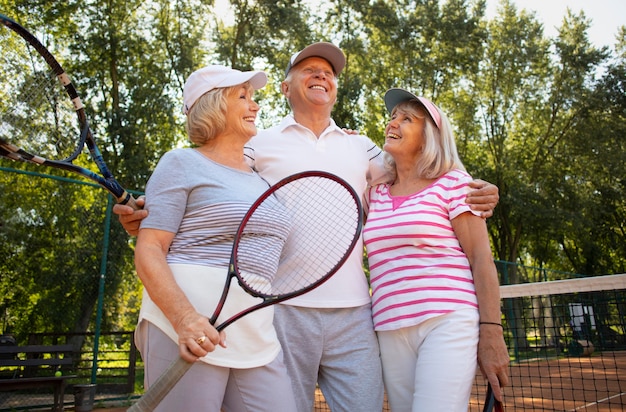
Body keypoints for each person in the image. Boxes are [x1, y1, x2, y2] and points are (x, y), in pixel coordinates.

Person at [116, 43, 500, 411]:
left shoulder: (363, 147)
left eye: (329, 72)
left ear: (335, 88)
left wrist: (475, 186)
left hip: (357, 313)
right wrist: (149, 213)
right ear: (285, 87)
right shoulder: (255, 144)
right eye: (309, 70)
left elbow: (420, 172)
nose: (321, 75)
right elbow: (213, 179)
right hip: (280, 309)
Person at [133, 65, 296, 411]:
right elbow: (149, 249)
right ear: (213, 106)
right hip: (184, 327)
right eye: (242, 97)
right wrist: (185, 319)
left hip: (256, 333)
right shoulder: (180, 163)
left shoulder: (263, 181)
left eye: (253, 98)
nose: (255, 106)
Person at [362, 88, 510, 411]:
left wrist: (492, 332)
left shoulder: (455, 183)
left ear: (429, 135)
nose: (393, 124)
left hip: (448, 321)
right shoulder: (376, 194)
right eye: (392, 117)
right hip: (389, 327)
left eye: (406, 119)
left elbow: (482, 260)